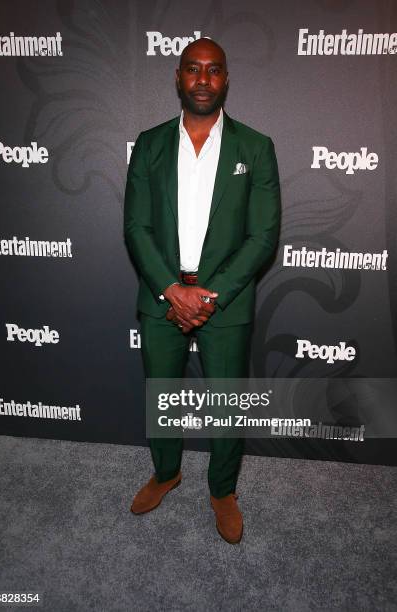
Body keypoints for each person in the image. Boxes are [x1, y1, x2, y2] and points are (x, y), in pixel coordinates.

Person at [124, 37, 281, 544]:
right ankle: (166, 472)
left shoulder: (255, 147)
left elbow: (262, 237)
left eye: (214, 70)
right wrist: (172, 289)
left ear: (226, 79)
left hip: (225, 300)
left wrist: (206, 297)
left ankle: (222, 490)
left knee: (227, 403)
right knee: (161, 394)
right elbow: (136, 228)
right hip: (161, 294)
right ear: (178, 77)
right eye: (193, 69)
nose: (203, 79)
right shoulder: (149, 143)